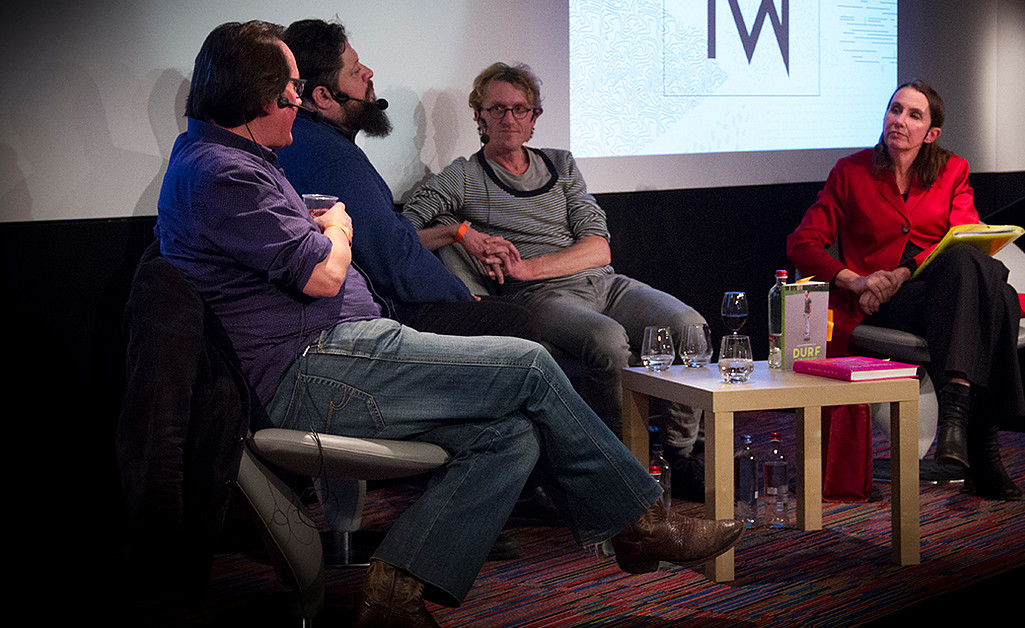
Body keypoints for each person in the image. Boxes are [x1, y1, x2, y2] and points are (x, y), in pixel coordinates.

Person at [156, 21, 742, 626]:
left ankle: (394, 593)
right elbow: (323, 275)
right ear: (257, 98)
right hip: (317, 366)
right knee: (531, 361)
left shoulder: (238, 161)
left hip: (341, 355)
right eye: (289, 93)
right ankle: (639, 523)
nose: (298, 104)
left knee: (511, 435)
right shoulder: (224, 171)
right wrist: (334, 231)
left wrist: (322, 228)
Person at [401, 62, 707, 501]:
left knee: (689, 325)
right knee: (607, 340)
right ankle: (619, 467)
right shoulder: (464, 176)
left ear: (534, 118)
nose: (509, 119)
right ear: (479, 118)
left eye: (520, 109)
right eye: (498, 109)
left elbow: (599, 248)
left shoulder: (561, 165)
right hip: (541, 299)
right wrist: (458, 232)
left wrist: (527, 265)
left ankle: (679, 454)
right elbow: (402, 233)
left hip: (603, 283)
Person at [785, 79, 1024, 501]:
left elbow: (967, 237)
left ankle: (960, 417)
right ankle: (980, 445)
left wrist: (907, 268)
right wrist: (854, 279)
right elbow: (802, 243)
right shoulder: (852, 171)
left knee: (971, 266)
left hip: (942, 296)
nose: (899, 120)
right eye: (895, 109)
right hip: (881, 304)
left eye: (914, 115)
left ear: (931, 133)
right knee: (996, 296)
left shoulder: (953, 171)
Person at [275, 19, 536, 343]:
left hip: (350, 312)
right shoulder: (332, 157)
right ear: (325, 96)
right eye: (355, 71)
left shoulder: (301, 140)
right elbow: (391, 256)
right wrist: (460, 295)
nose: (368, 73)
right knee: (516, 321)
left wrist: (455, 232)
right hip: (382, 317)